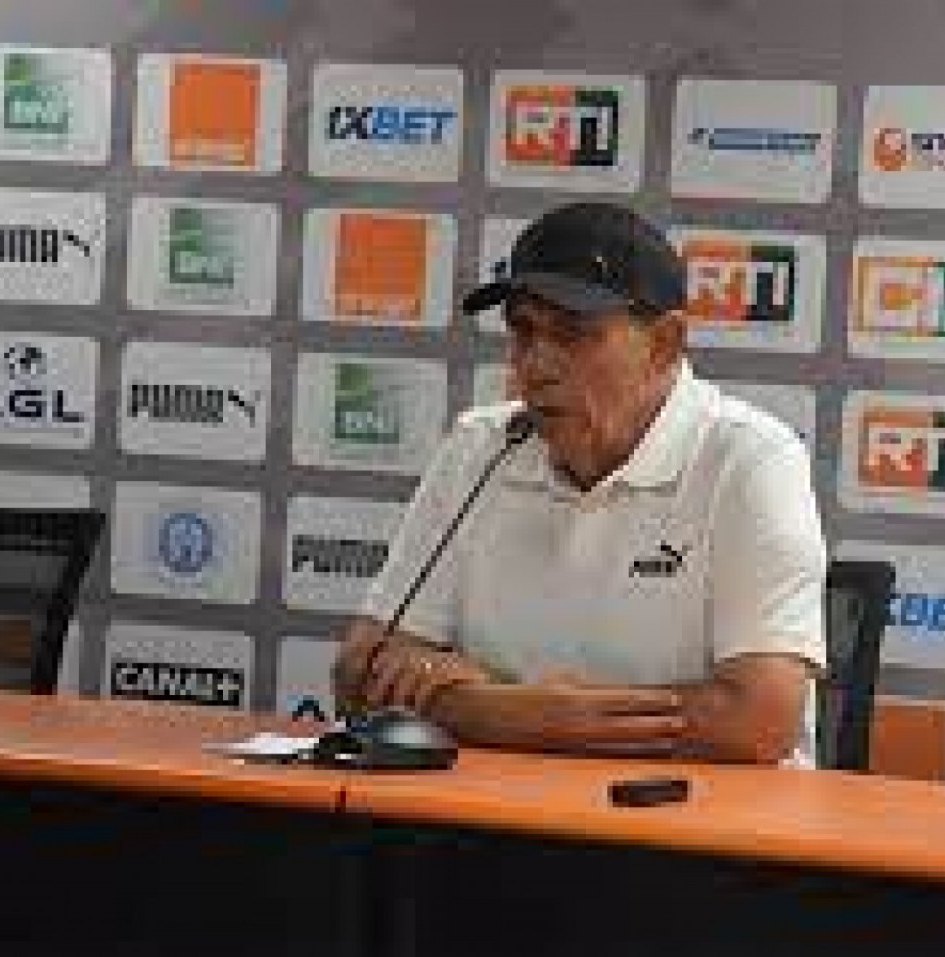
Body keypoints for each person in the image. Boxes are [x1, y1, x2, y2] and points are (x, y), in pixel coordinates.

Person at [332, 202, 828, 766]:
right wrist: (517, 712)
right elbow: (360, 672)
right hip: (501, 810)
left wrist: (489, 708)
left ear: (664, 343)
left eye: (573, 334)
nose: (536, 365)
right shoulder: (482, 447)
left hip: (699, 815)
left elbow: (757, 720)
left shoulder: (749, 459)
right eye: (523, 331)